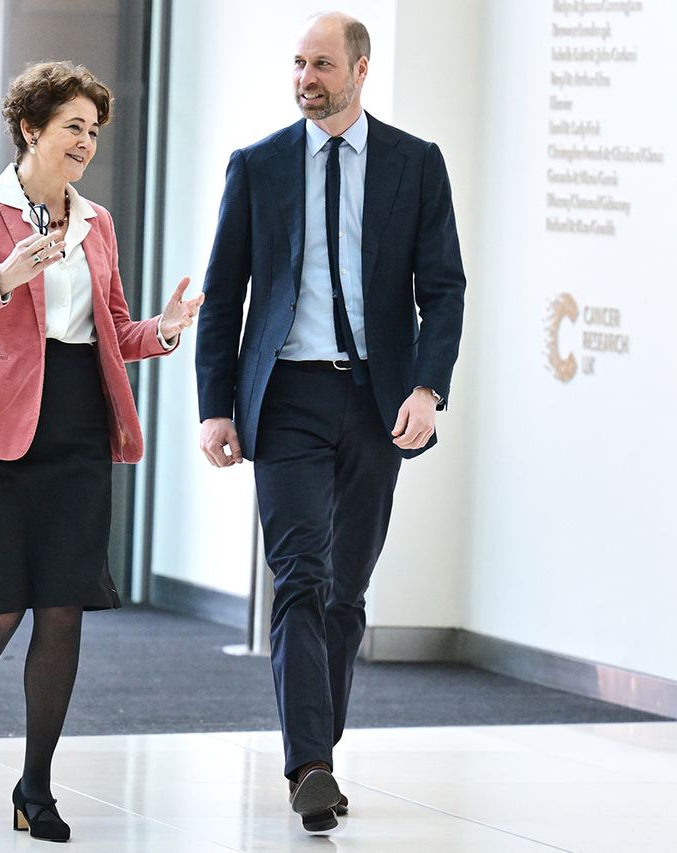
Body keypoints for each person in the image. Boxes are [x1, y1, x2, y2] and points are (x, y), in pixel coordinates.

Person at [0, 61, 202, 843]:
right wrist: (3, 278)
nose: (86, 142)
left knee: (63, 607)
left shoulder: (95, 223)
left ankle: (35, 786)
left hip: (76, 424)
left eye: (94, 131)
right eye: (74, 126)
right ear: (31, 128)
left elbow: (114, 328)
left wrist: (167, 328)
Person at [194, 12, 465, 833]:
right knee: (300, 576)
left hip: (377, 401)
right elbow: (225, 293)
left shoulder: (416, 165)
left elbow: (443, 287)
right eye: (298, 64)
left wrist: (428, 387)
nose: (305, 77)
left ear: (360, 69)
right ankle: (310, 762)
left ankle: (319, 735)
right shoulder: (259, 165)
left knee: (347, 588)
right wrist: (215, 406)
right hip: (287, 399)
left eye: (321, 64)